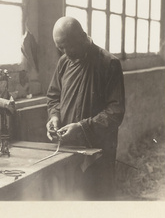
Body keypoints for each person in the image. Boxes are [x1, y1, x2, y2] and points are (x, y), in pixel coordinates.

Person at [46, 16, 125, 200]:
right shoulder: (64, 62)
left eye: (69, 46)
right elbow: (53, 97)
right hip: (68, 149)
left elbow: (116, 112)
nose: (66, 52)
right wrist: (54, 116)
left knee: (97, 201)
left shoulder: (108, 63)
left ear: (82, 36)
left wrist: (82, 128)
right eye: (60, 48)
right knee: (71, 202)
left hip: (99, 152)